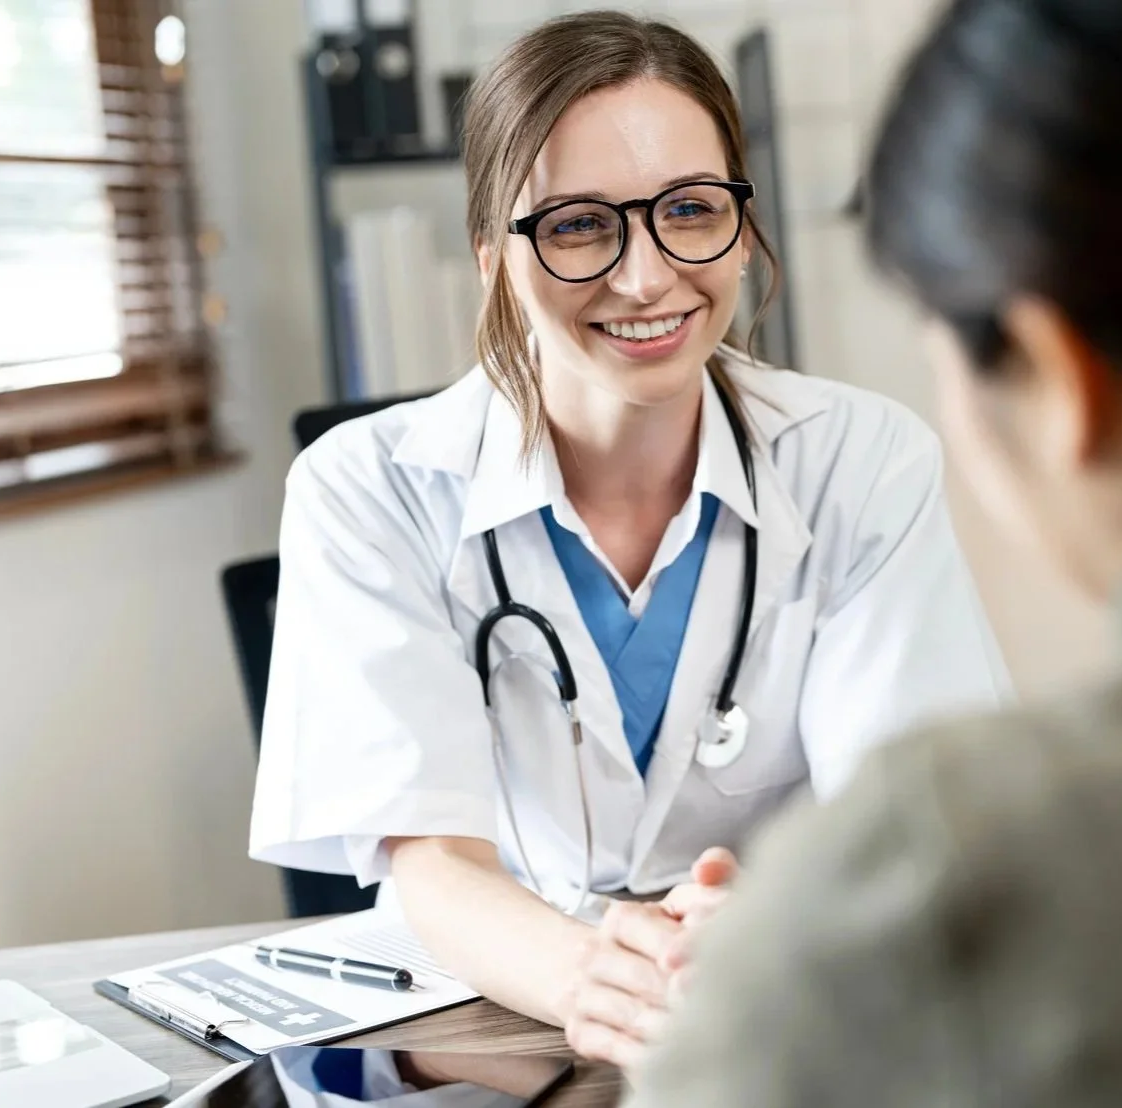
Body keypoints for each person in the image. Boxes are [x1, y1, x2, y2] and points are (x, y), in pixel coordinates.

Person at [249, 10, 1008, 1069]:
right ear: (489, 257)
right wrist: (586, 974)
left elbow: (906, 813)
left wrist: (754, 927)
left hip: (779, 998)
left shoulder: (860, 462)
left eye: (689, 210)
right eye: (575, 225)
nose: (646, 277)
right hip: (492, 1025)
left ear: (742, 227)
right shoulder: (369, 487)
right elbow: (428, 860)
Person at [627, 0, 1122, 1104]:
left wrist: (799, 932)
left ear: (1057, 379)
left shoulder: (942, 871)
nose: (643, 273)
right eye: (578, 225)